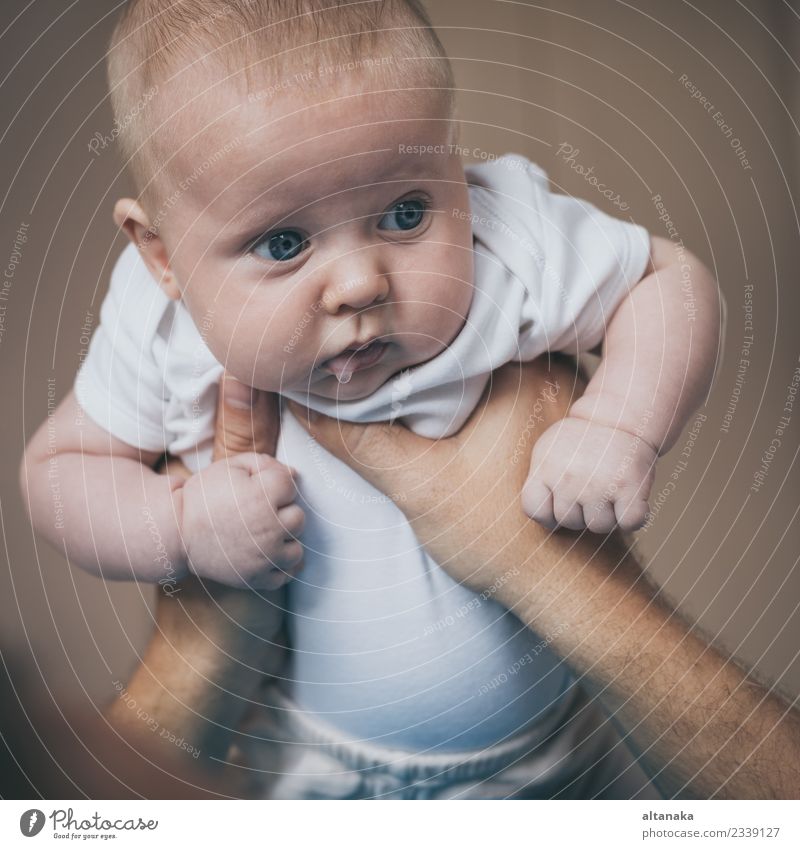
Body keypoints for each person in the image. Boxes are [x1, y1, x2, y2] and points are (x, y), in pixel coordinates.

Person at [19, 0, 718, 797]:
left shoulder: (506, 242)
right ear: (162, 255)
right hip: (310, 768)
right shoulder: (163, 326)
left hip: (556, 759)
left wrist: (619, 423)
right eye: (284, 243)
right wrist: (174, 525)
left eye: (406, 213)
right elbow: (60, 469)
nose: (359, 283)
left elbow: (671, 284)